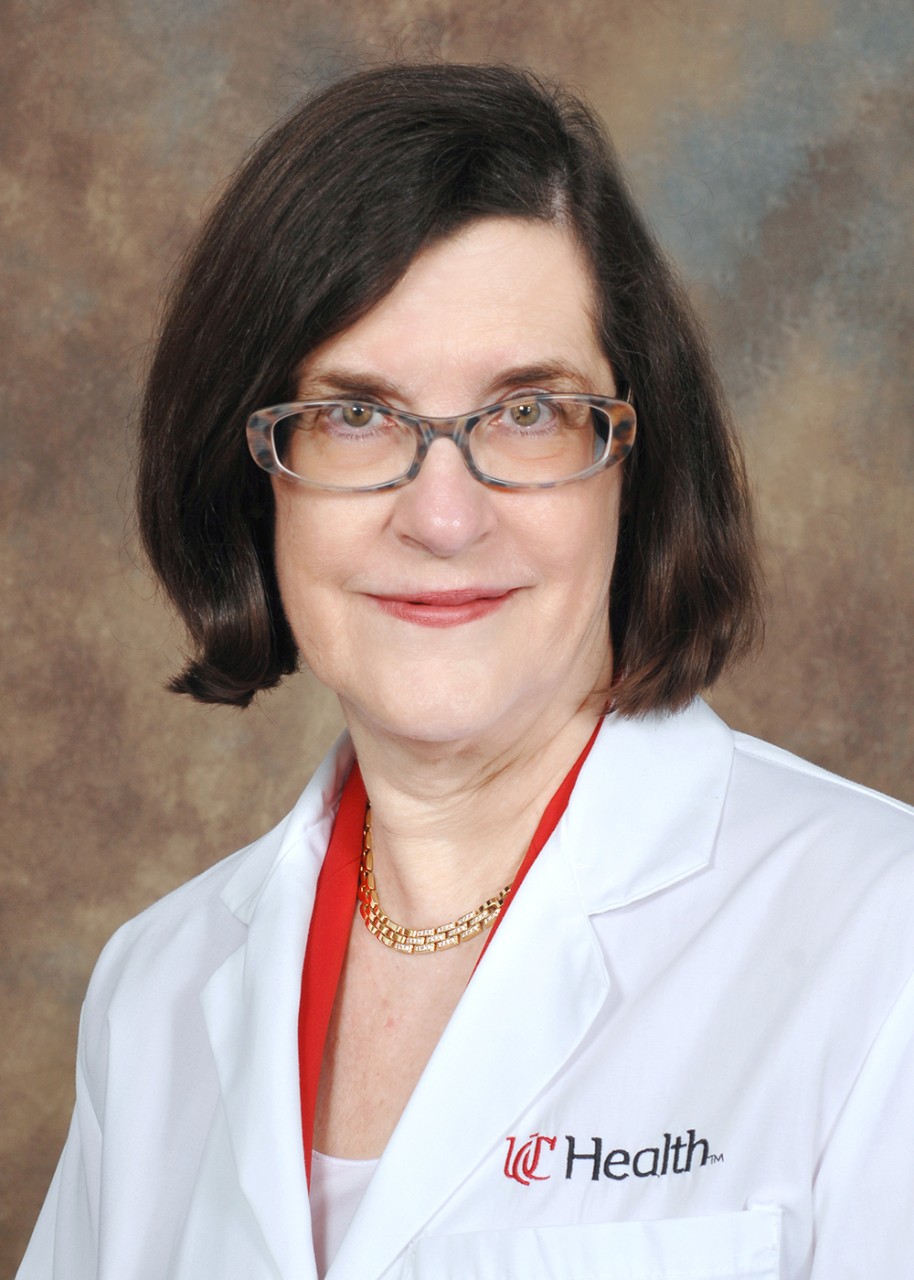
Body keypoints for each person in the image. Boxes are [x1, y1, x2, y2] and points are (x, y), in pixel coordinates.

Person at [17, 62, 914, 1280]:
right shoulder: (156, 989)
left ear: (633, 465)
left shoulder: (878, 939)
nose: (442, 516)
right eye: (355, 415)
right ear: (256, 477)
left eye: (527, 412)